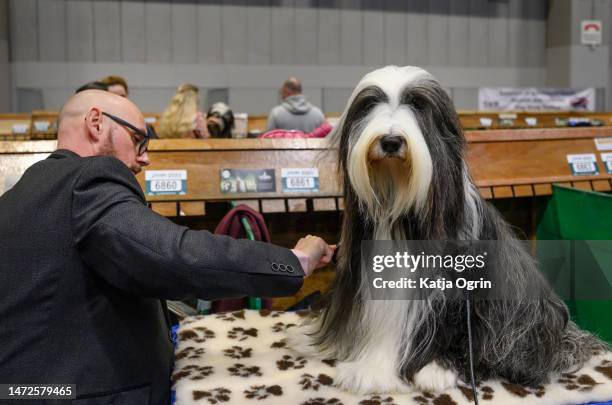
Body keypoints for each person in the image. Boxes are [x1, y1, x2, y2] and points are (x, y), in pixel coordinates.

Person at [0, 90, 335, 404]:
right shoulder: (88, 180)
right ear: (96, 124)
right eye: (137, 139)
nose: (144, 158)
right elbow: (173, 255)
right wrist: (295, 260)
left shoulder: (25, 192)